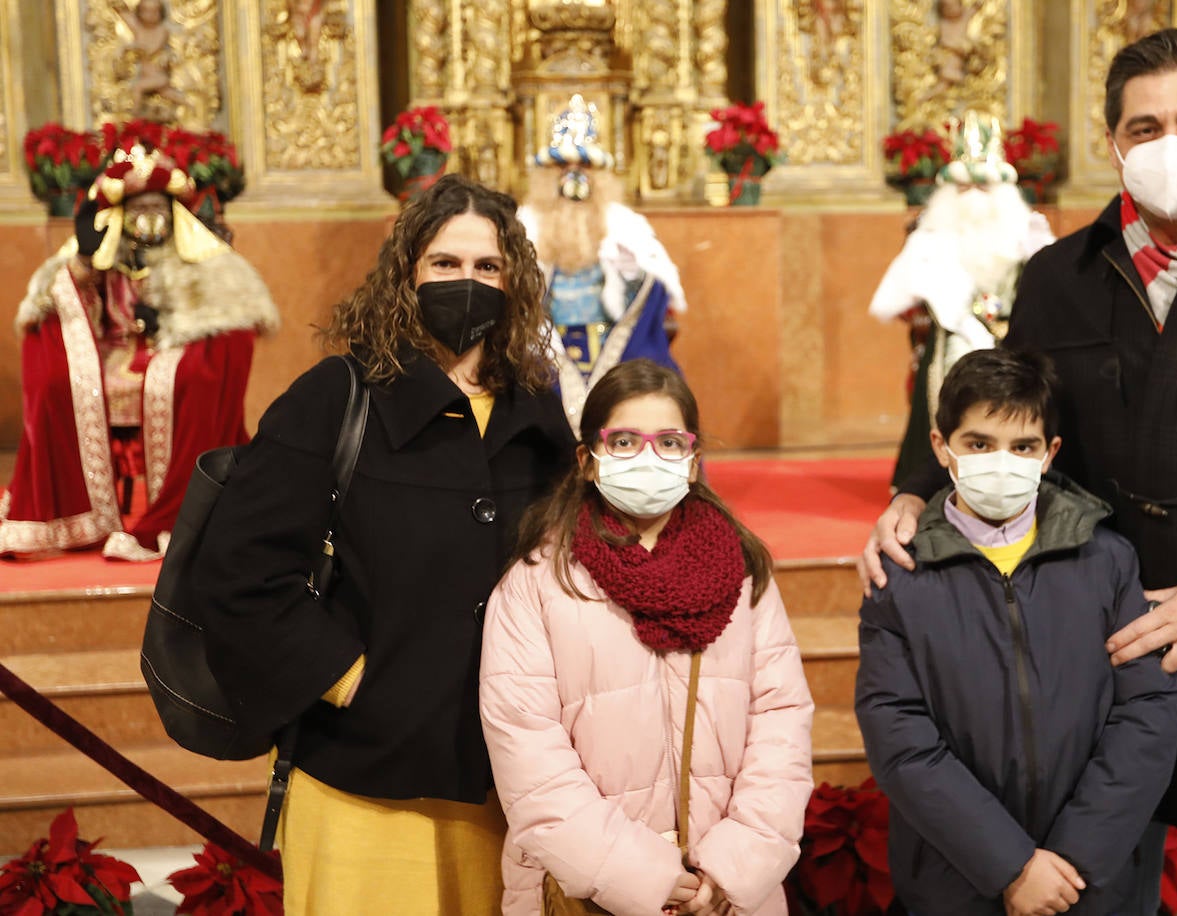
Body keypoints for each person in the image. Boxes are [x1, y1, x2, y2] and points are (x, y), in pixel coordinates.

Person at [861, 28, 1177, 914]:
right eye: (1145, 128)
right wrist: (913, 488)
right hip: (1093, 648)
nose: (1170, 145)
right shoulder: (1058, 277)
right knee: (1098, 882)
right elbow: (998, 401)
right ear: (1112, 144)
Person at [191, 174, 576, 915]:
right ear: (406, 273)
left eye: (487, 268)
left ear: (514, 280)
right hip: (360, 776)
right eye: (445, 264)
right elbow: (239, 572)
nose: (468, 282)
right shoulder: (336, 397)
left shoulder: (537, 412)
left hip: (505, 779)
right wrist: (354, 681)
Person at [855, 347, 1177, 916]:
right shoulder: (901, 576)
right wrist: (1010, 866)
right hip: (958, 882)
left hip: (1086, 884)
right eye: (979, 444)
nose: (1000, 462)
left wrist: (1072, 859)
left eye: (1022, 446)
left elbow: (1147, 709)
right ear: (941, 447)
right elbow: (900, 738)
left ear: (1049, 453)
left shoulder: (1106, 560)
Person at [479, 358, 814, 915]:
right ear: (588, 461)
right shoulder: (538, 583)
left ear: (692, 461)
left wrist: (732, 867)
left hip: (725, 895)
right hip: (589, 890)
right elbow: (527, 753)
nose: (648, 458)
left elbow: (782, 726)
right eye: (626, 441)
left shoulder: (743, 572)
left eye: (669, 443)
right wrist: (635, 875)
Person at [0, 144, 279, 561]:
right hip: (112, 354)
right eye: (139, 206)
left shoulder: (201, 262)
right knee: (60, 384)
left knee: (189, 380)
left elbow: (226, 315)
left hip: (175, 352)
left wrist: (168, 326)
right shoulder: (103, 256)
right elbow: (58, 307)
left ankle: (173, 508)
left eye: (157, 206)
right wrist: (82, 266)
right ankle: (83, 514)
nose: (149, 215)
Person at [868, 111, 1054, 488]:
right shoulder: (932, 235)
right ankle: (935, 482)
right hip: (951, 343)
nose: (974, 199)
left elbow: (1053, 283)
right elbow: (895, 299)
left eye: (984, 188)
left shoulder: (1026, 230)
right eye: (965, 188)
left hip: (1014, 340)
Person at [518, 94, 687, 430]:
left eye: (584, 169)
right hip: (545, 353)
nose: (574, 179)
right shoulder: (526, 225)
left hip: (615, 349)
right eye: (564, 169)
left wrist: (630, 274)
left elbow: (652, 293)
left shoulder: (624, 226)